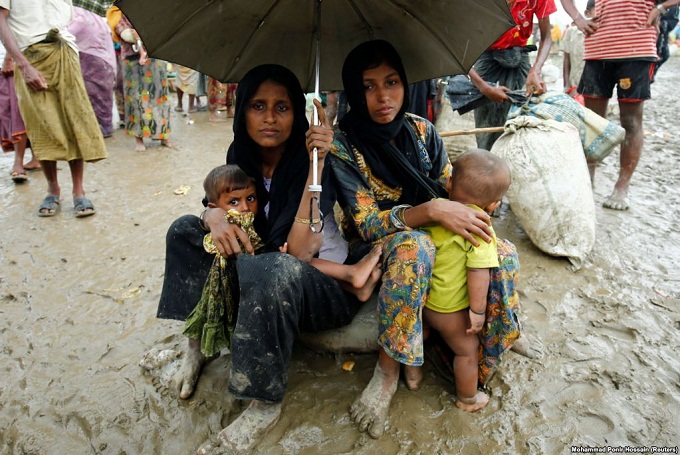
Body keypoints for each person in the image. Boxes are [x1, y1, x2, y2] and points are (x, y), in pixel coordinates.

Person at [157, 64, 374, 454]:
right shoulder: (239, 155)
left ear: (299, 114)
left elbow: (302, 250)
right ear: (242, 112)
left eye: (282, 107)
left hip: (318, 289)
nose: (270, 118)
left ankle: (264, 403)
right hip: (261, 271)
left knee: (271, 266)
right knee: (184, 230)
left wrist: (318, 166)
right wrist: (212, 215)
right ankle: (196, 349)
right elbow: (219, 203)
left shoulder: (315, 160)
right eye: (258, 106)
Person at [328, 40, 494, 439]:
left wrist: (466, 212)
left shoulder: (421, 130)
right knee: (414, 246)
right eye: (368, 86)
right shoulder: (341, 145)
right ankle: (388, 370)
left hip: (435, 233)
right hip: (376, 248)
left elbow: (450, 190)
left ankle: (490, 339)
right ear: (353, 91)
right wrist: (431, 211)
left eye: (392, 82)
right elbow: (367, 224)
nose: (384, 97)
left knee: (494, 245)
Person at [422, 149, 511, 413]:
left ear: (449, 183)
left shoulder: (437, 215)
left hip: (426, 301)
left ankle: (413, 376)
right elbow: (478, 273)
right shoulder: (481, 227)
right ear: (493, 204)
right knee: (467, 351)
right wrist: (478, 312)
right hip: (449, 309)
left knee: (425, 334)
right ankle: (468, 398)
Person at [0, 0, 107, 217]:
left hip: (65, 50)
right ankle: (53, 189)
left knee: (75, 120)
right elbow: (1, 19)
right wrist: (23, 65)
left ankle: (79, 191)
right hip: (30, 56)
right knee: (42, 124)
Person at [563, 0, 660, 210]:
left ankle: (621, 187)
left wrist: (661, 8)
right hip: (598, 48)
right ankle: (587, 179)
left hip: (637, 49)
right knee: (593, 121)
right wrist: (578, 18)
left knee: (630, 121)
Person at [467, 0, 557, 151]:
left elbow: (546, 37)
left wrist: (535, 70)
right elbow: (461, 49)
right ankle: (489, 165)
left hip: (520, 57)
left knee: (522, 120)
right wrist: (483, 87)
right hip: (486, 57)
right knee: (486, 130)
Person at [113, 13, 172, 152]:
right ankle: (139, 139)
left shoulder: (153, 10)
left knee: (160, 98)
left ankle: (163, 136)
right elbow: (126, 34)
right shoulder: (119, 13)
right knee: (136, 100)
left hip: (155, 57)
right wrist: (141, 35)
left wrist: (140, 34)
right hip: (133, 61)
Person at [67, 5, 116, 137]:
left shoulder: (79, 16)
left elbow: (65, 35)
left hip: (92, 61)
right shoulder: (96, 19)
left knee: (92, 94)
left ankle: (99, 128)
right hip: (106, 61)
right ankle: (106, 126)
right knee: (103, 95)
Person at [0, 42, 39, 182]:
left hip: (15, 64)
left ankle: (18, 163)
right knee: (28, 110)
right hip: (26, 59)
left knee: (15, 113)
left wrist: (8, 58)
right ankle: (36, 158)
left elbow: (12, 30)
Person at [561, 1, 594, 101]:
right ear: (587, 13)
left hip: (593, 86)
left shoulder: (602, 34)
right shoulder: (571, 32)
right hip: (574, 85)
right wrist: (566, 85)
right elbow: (566, 60)